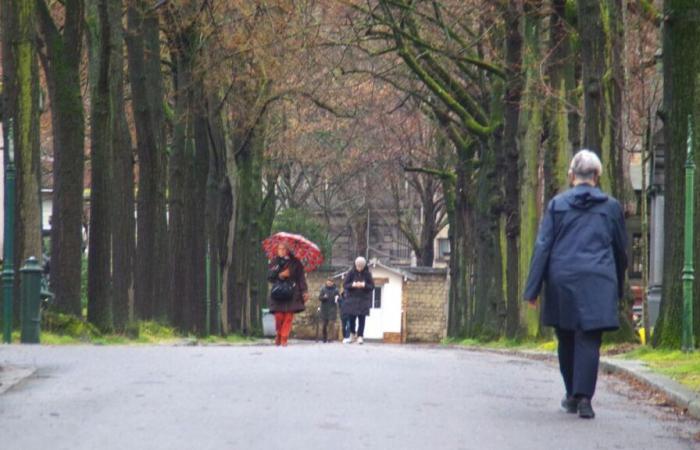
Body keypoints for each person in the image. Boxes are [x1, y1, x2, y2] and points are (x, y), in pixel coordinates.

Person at [523, 149, 628, 419]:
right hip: (598, 279)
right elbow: (620, 250)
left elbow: (543, 247)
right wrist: (617, 286)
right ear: (597, 175)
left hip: (563, 279)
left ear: (572, 177)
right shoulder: (612, 207)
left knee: (566, 336)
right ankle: (584, 399)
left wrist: (532, 289)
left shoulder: (558, 205)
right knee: (590, 338)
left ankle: (571, 393)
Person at [268, 243, 309, 346]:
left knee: (288, 317)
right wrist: (280, 275)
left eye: (283, 249)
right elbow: (270, 277)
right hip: (279, 292)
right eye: (279, 249)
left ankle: (284, 338)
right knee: (278, 316)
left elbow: (301, 278)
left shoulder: (296, 262)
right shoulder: (274, 261)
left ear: (288, 250)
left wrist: (304, 291)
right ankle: (279, 333)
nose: (281, 251)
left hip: (292, 292)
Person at [341, 256, 375, 344]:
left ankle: (360, 336)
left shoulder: (367, 274)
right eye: (358, 266)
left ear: (364, 266)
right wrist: (353, 285)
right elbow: (345, 285)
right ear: (355, 265)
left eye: (361, 266)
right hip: (352, 300)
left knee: (362, 319)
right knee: (352, 318)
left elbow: (372, 286)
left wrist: (364, 285)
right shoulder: (351, 273)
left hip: (363, 300)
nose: (359, 268)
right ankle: (352, 334)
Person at [318, 278, 340, 343]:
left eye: (331, 282)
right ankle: (324, 338)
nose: (329, 283)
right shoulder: (323, 289)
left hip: (332, 309)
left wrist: (337, 298)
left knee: (331, 324)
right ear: (326, 282)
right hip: (324, 309)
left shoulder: (336, 290)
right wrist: (324, 297)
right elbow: (320, 298)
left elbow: (339, 297)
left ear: (333, 283)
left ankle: (330, 339)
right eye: (328, 282)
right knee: (324, 325)